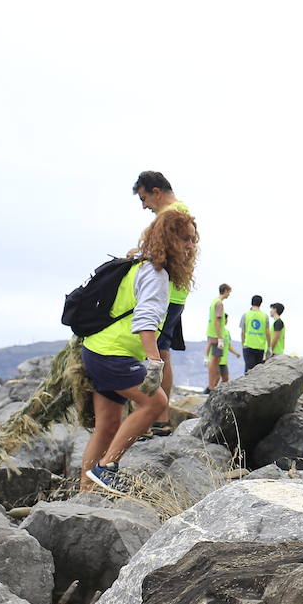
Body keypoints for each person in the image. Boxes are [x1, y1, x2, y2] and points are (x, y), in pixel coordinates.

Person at [81, 206, 198, 493]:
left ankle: (84, 492)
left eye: (194, 239)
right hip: (112, 354)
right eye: (185, 239)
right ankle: (107, 468)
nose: (191, 246)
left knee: (108, 424)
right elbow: (145, 321)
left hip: (97, 350)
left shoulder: (139, 265)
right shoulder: (155, 274)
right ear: (169, 240)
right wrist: (154, 364)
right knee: (156, 403)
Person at [131, 171, 192, 407]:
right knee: (162, 350)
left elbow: (169, 253)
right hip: (173, 292)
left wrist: (139, 255)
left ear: (156, 192)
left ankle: (157, 415)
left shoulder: (173, 214)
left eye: (143, 199)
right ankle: (159, 415)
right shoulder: (178, 211)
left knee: (158, 352)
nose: (144, 206)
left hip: (166, 293)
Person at [205, 283, 233, 392]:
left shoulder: (214, 302)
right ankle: (211, 386)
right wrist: (219, 337)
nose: (229, 294)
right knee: (215, 360)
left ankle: (211, 385)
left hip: (212, 333)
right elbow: (217, 321)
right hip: (216, 335)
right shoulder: (219, 304)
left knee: (216, 360)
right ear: (225, 290)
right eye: (229, 292)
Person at [240, 295, 269, 370]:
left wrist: (243, 344)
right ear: (261, 303)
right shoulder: (265, 316)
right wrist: (269, 347)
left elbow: (243, 332)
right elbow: (268, 333)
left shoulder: (245, 315)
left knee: (249, 371)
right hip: (260, 347)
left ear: (251, 302)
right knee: (258, 371)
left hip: (248, 346)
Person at [217, 313, 235, 384]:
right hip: (216, 359)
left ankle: (220, 393)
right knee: (216, 378)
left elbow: (229, 346)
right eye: (225, 319)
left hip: (224, 360)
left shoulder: (227, 332)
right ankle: (208, 392)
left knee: (225, 379)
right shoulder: (216, 330)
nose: (227, 321)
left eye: (227, 319)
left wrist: (236, 353)